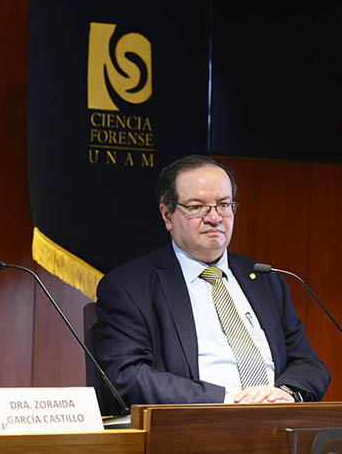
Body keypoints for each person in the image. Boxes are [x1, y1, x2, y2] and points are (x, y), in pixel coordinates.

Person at [94, 154, 330, 406]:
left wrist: (286, 392)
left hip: (277, 425)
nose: (215, 218)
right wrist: (223, 400)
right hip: (194, 430)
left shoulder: (265, 279)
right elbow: (126, 376)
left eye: (224, 205)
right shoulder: (130, 287)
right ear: (167, 215)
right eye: (197, 207)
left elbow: (308, 364)